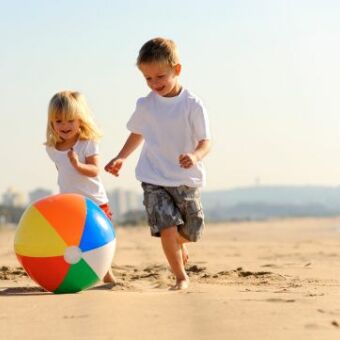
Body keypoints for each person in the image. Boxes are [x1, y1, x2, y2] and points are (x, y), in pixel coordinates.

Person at [105, 37, 211, 290]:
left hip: (185, 179)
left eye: (160, 76)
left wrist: (194, 156)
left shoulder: (192, 105)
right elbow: (137, 132)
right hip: (153, 177)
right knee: (167, 227)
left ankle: (178, 243)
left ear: (177, 69)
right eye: (148, 79)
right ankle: (180, 276)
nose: (155, 84)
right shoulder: (146, 105)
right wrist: (121, 157)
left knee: (193, 229)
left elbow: (206, 142)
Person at [45, 90, 115, 283]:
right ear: (51, 123)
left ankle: (106, 272)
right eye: (58, 121)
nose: (64, 126)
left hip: (95, 201)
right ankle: (73, 273)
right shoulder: (52, 149)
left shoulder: (87, 143)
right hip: (71, 204)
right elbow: (62, 172)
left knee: (100, 239)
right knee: (73, 241)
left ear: (80, 121)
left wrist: (77, 165)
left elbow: (94, 170)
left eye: (70, 120)